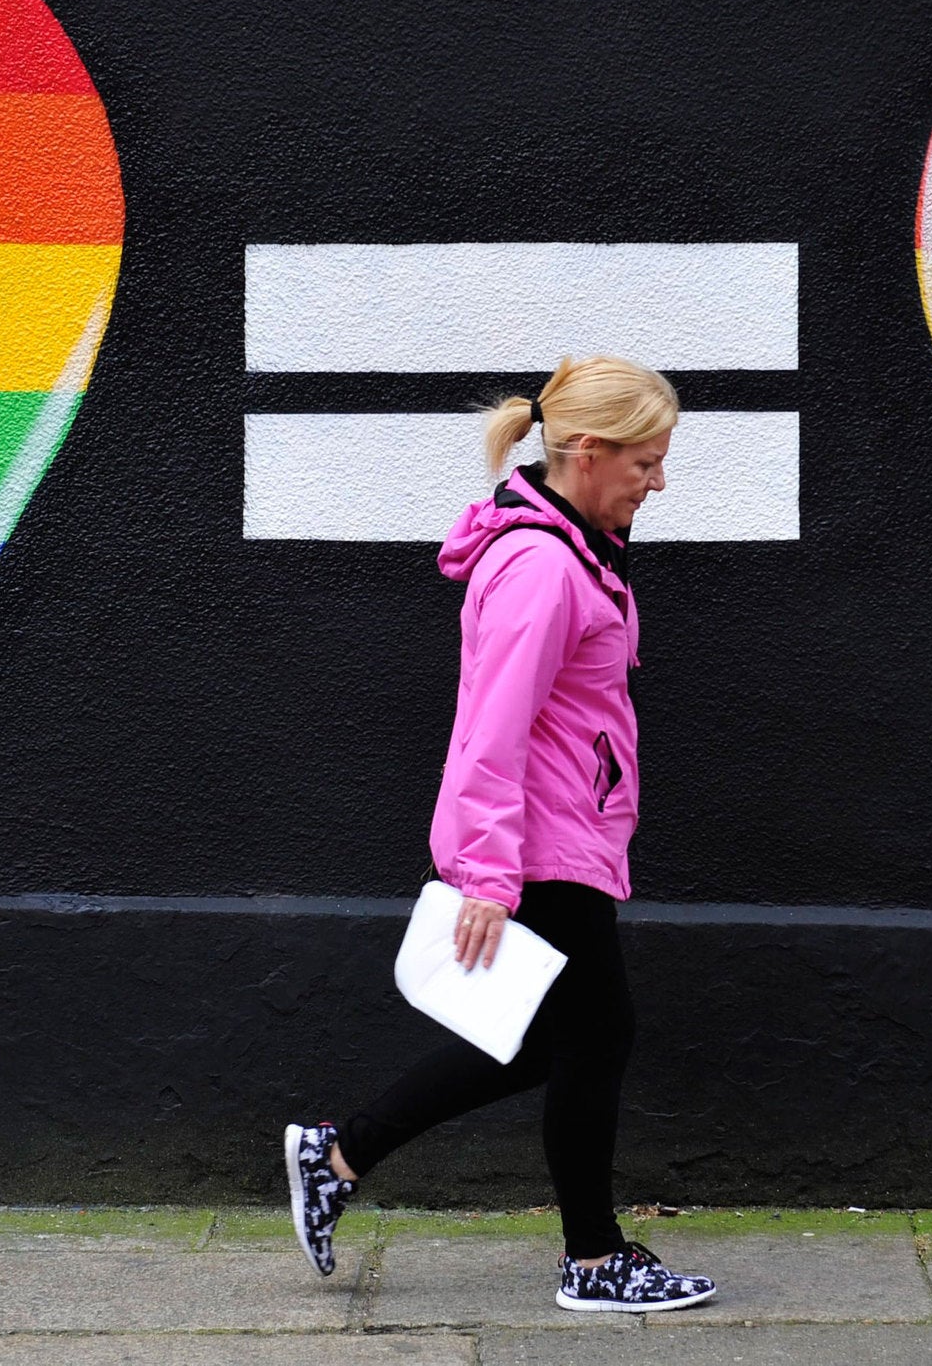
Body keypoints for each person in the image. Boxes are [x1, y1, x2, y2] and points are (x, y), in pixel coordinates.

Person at [285, 355, 716, 1314]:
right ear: (590, 453)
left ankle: (340, 1155)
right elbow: (491, 728)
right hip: (543, 841)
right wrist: (488, 875)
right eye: (646, 462)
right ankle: (595, 1261)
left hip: (567, 825)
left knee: (544, 1040)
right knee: (597, 1037)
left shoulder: (574, 549)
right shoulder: (541, 569)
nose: (658, 481)